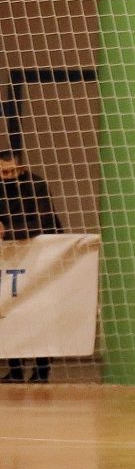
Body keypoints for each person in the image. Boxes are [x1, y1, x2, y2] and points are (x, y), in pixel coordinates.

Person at [0, 145, 64, 383]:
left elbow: (41, 223)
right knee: (10, 311)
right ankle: (15, 370)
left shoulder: (35, 186)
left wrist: (7, 232)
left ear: (21, 169)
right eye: (2, 173)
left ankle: (41, 370)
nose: (6, 178)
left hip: (41, 256)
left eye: (11, 173)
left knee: (41, 313)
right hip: (12, 257)